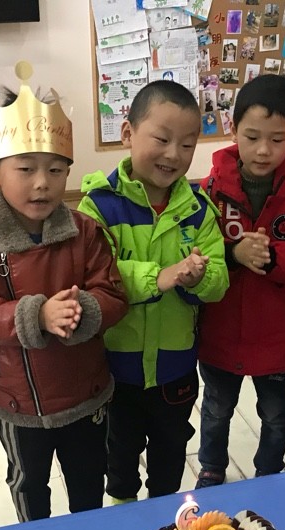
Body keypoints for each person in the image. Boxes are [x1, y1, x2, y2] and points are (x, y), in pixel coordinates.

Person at [0, 68, 128, 523]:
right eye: (25, 169)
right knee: (28, 482)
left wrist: (84, 309)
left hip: (84, 392)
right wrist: (36, 316)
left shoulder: (86, 232)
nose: (42, 182)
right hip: (19, 401)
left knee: (89, 476)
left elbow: (113, 292)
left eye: (55, 169)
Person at [79, 80, 228, 502]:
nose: (173, 154)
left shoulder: (198, 210)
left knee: (170, 455)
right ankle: (123, 516)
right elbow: (94, 275)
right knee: (119, 457)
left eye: (187, 144)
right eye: (161, 139)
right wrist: (159, 277)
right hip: (115, 367)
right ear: (128, 133)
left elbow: (219, 278)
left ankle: (168, 521)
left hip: (175, 367)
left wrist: (199, 278)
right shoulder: (98, 206)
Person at [196, 74, 285, 488]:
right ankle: (211, 469)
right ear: (232, 128)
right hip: (221, 330)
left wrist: (270, 257)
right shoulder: (210, 189)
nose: (263, 150)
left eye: (277, 139)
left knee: (276, 414)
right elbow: (195, 251)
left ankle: (269, 474)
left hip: (279, 334)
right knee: (216, 408)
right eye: (252, 137)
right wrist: (234, 254)